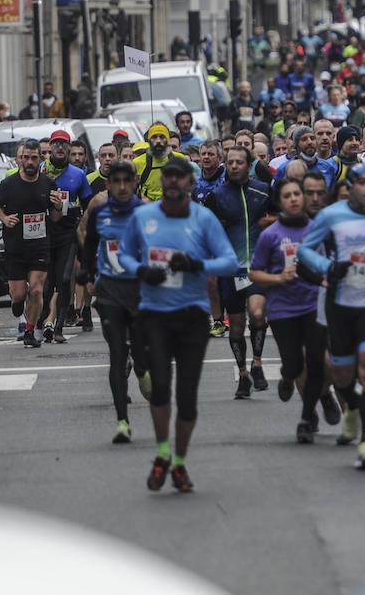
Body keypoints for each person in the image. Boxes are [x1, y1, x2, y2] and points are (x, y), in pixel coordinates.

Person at [118, 157, 239, 492]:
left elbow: (229, 262)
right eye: (167, 175)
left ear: (190, 182)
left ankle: (180, 463)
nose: (172, 181)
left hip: (192, 316)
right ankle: (161, 454)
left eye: (179, 176)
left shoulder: (204, 219)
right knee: (159, 387)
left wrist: (195, 263)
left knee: (186, 397)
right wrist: (142, 271)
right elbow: (124, 255)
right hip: (154, 314)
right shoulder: (143, 216)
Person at [299, 165, 365, 470]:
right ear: (349, 188)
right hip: (341, 303)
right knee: (343, 376)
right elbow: (305, 250)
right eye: (362, 182)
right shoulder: (331, 215)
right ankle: (352, 410)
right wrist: (328, 266)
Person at [249, 178, 326, 442]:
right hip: (283, 308)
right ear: (279, 202)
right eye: (287, 195)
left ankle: (306, 418)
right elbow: (255, 273)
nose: (293, 199)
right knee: (294, 364)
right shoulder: (270, 235)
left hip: (314, 304)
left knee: (316, 363)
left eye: (297, 194)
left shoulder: (317, 230)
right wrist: (279, 279)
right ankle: (287, 375)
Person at [79, 160, 151, 443]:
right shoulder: (99, 213)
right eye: (116, 181)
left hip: (140, 292)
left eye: (126, 181)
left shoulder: (146, 213)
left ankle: (143, 368)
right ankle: (122, 421)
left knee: (141, 353)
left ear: (134, 183)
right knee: (117, 355)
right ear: (108, 185)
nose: (121, 186)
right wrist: (86, 269)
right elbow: (89, 243)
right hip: (108, 291)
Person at [203, 146, 276, 398]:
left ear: (248, 166)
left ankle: (257, 362)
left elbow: (281, 218)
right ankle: (243, 374)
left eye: (239, 162)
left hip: (257, 267)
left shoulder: (263, 191)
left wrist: (272, 222)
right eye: (230, 162)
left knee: (257, 314)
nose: (234, 166)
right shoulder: (216, 196)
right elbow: (206, 232)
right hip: (230, 269)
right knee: (235, 326)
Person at [0, 139, 63, 348]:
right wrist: (5, 219)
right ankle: (16, 303)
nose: (30, 162)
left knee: (36, 291)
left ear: (40, 159)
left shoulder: (48, 184)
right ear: (20, 160)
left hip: (40, 245)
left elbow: (56, 218)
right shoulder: (9, 184)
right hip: (15, 246)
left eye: (34, 158)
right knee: (19, 294)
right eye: (26, 158)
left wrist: (58, 207)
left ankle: (30, 331)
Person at [41, 130, 97, 343]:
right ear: (51, 147)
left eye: (64, 144)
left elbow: (89, 204)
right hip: (45, 232)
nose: (60, 148)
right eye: (56, 144)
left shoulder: (78, 174)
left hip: (68, 232)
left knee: (65, 279)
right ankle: (43, 319)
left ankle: (59, 325)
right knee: (47, 285)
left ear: (69, 148)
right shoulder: (41, 171)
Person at [135, 123, 191, 201]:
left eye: (162, 137)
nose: (158, 141)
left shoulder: (179, 159)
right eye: (154, 137)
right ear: (148, 140)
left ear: (168, 140)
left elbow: (188, 186)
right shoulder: (137, 163)